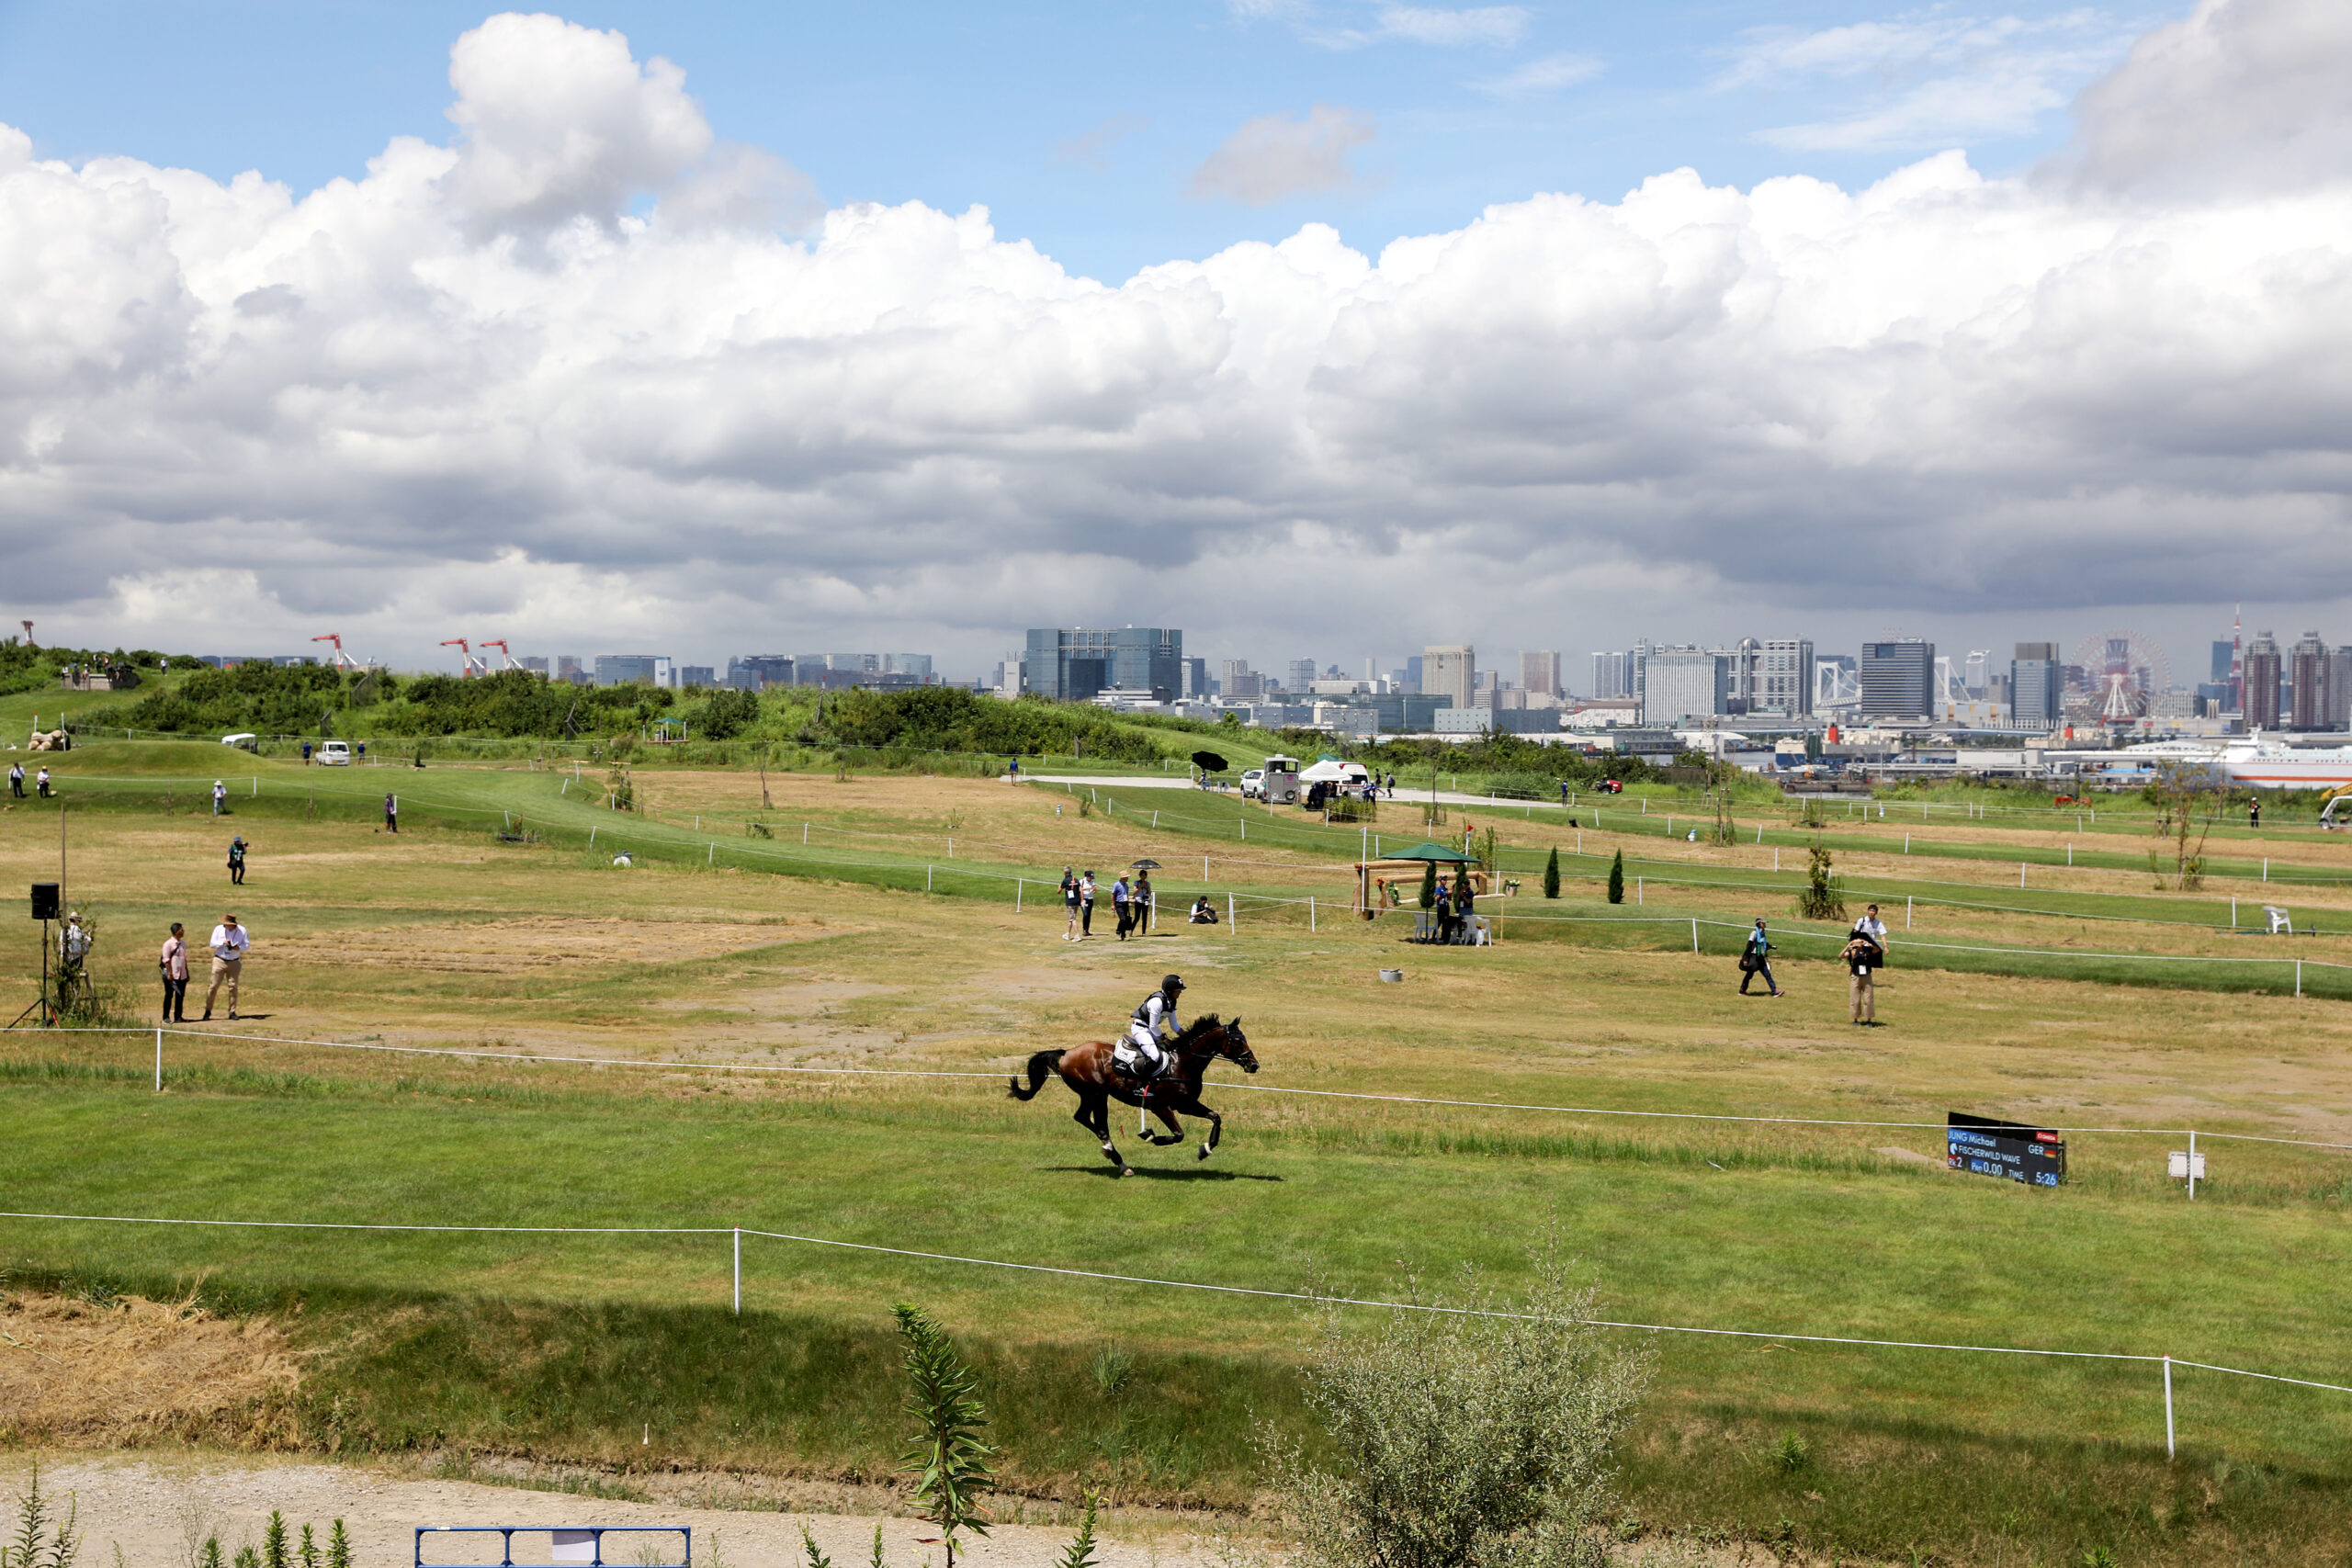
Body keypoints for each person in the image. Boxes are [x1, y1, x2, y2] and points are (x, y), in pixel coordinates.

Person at [1118, 974, 1186, 1090]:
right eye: (1178, 990)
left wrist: (1187, 1037)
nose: (1180, 992)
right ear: (1170, 991)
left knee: (1169, 1052)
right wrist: (1164, 1039)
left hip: (1150, 1030)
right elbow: (1154, 1026)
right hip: (1141, 1029)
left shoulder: (1172, 1002)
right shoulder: (1157, 1002)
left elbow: (1174, 1025)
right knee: (1154, 1056)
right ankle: (1141, 1085)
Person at [203, 912, 250, 1021]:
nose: (226, 926)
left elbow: (247, 945)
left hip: (234, 961)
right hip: (219, 960)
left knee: (233, 987)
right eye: (225, 924)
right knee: (213, 986)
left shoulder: (242, 930)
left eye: (228, 924)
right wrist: (222, 942)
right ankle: (208, 1010)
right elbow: (212, 944)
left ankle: (232, 1011)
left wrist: (238, 948)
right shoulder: (218, 929)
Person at [1843, 930, 1883, 1026]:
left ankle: (1869, 1020)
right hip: (1855, 976)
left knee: (1868, 999)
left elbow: (1878, 950)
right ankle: (1855, 1019)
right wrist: (1848, 946)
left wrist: (1869, 944)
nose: (1859, 942)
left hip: (1867, 976)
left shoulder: (1868, 950)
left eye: (1860, 941)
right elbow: (1841, 955)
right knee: (1855, 999)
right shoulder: (1852, 951)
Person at [1740, 918, 1781, 997]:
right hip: (1754, 957)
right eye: (1763, 923)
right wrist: (1745, 958)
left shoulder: (1762, 933)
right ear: (1759, 924)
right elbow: (1749, 946)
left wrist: (1769, 946)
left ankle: (1774, 991)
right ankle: (1742, 991)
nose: (1765, 924)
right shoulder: (1754, 933)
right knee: (1749, 975)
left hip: (1761, 957)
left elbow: (1762, 944)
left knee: (1767, 974)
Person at [158, 921, 189, 1022]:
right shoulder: (168, 944)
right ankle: (166, 1016)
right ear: (176, 931)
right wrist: (170, 974)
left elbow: (184, 959)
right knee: (169, 995)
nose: (183, 931)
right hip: (172, 974)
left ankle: (178, 1016)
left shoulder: (183, 944)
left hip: (182, 974)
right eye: (181, 929)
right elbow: (166, 960)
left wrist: (187, 972)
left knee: (180, 996)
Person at [1112, 873, 1134, 940]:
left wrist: (1128, 902)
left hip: (1125, 903)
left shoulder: (1126, 885)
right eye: (1126, 877)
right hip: (1119, 904)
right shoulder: (1116, 885)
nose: (1127, 878)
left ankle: (1123, 934)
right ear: (1123, 877)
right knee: (1122, 919)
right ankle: (1118, 931)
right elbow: (1113, 894)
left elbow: (1126, 894)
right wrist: (1112, 904)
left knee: (1125, 919)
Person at [1060, 868, 1080, 941]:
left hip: (1070, 902)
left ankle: (1077, 935)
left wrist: (1061, 885)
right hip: (1077, 901)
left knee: (1073, 919)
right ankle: (1068, 934)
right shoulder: (1076, 879)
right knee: (1071, 919)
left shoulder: (1065, 880)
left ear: (1065, 873)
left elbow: (1059, 891)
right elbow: (1080, 890)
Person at [1134, 870, 1154, 934]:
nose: (1143, 876)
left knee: (1144, 918)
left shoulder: (1148, 883)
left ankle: (1143, 932)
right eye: (1142, 875)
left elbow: (1150, 893)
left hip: (1145, 901)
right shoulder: (1136, 883)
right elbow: (1134, 892)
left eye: (1145, 875)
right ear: (1140, 876)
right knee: (1137, 917)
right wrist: (1140, 887)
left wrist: (1147, 888)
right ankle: (1131, 929)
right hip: (1138, 901)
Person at [1079, 871, 1097, 937]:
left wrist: (1094, 889)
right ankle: (1084, 929)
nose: (1091, 879)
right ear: (1087, 876)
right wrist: (1089, 888)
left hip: (1090, 899)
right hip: (1084, 900)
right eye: (1090, 877)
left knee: (1089, 915)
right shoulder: (1082, 881)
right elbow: (1080, 889)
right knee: (1085, 914)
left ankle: (1087, 930)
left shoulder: (1092, 882)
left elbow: (1095, 890)